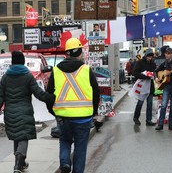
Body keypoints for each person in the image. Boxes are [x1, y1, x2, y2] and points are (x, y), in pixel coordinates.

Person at [46, 38, 100, 173]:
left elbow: (49, 94)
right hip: (84, 118)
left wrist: (53, 111)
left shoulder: (56, 70)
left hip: (63, 117)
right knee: (80, 148)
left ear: (67, 53)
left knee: (65, 141)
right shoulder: (87, 70)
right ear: (80, 52)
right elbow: (96, 93)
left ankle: (65, 163)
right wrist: (93, 112)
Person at [0, 51, 55, 173]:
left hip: (9, 112)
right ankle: (18, 165)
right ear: (23, 62)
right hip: (24, 111)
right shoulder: (28, 76)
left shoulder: (5, 77)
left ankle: (21, 162)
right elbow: (38, 93)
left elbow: (0, 97)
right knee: (23, 137)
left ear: (12, 63)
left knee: (16, 136)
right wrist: (51, 98)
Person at [155, 47, 172, 131]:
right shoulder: (164, 64)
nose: (166, 55)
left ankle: (171, 124)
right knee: (163, 105)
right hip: (166, 86)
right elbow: (156, 71)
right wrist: (157, 78)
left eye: (168, 53)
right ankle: (160, 124)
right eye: (166, 53)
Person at [132, 48, 157, 126]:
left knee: (149, 103)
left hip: (150, 86)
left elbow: (155, 72)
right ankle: (136, 117)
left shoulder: (153, 63)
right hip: (142, 85)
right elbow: (135, 73)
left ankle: (148, 120)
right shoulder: (140, 62)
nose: (150, 58)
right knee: (140, 102)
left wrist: (152, 75)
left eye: (151, 57)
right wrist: (144, 75)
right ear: (146, 56)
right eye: (148, 56)